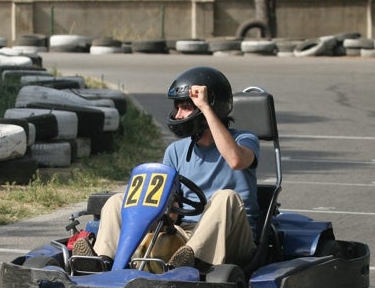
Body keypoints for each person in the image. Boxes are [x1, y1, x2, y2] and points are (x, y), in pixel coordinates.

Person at [73, 66, 260, 270]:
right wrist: (165, 212)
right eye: (177, 108)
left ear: (212, 106)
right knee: (117, 201)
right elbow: (167, 209)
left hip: (233, 237)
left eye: (185, 107)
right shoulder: (176, 151)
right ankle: (103, 261)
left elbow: (236, 161)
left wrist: (206, 108)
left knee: (226, 197)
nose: (178, 115)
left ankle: (194, 261)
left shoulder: (244, 139)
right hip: (183, 236)